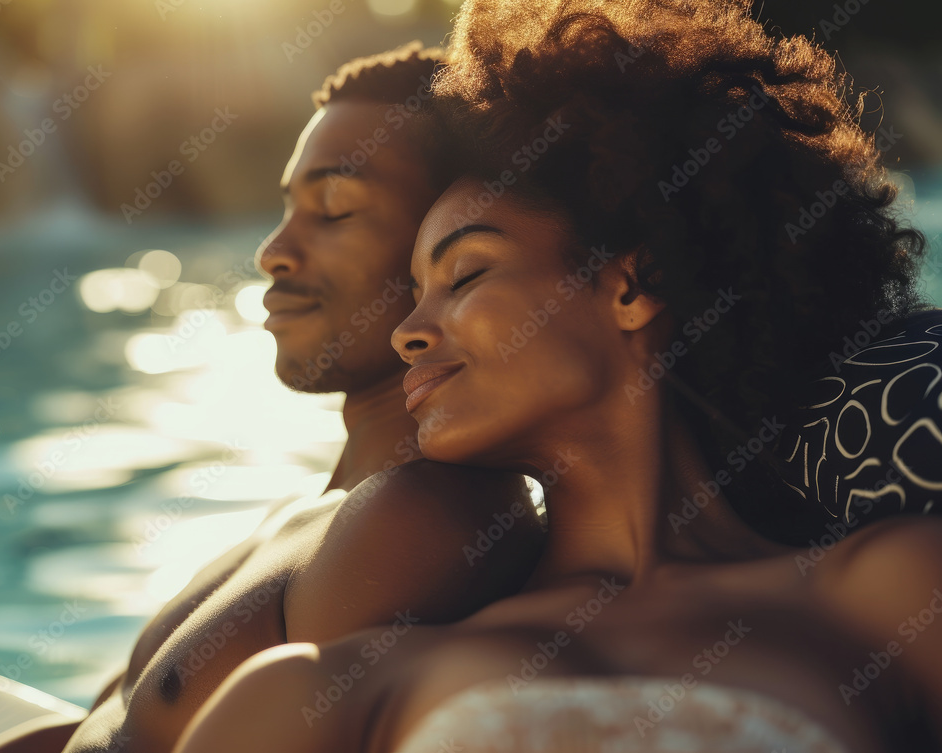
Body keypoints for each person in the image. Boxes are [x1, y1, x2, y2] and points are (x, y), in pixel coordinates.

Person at [172, 2, 942, 751]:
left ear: (633, 287)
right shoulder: (324, 691)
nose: (409, 332)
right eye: (412, 294)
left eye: (463, 274)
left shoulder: (892, 592)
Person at [0, 43, 544, 753]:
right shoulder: (307, 515)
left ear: (448, 240)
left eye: (333, 207)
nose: (274, 250)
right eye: (287, 206)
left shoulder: (420, 518)